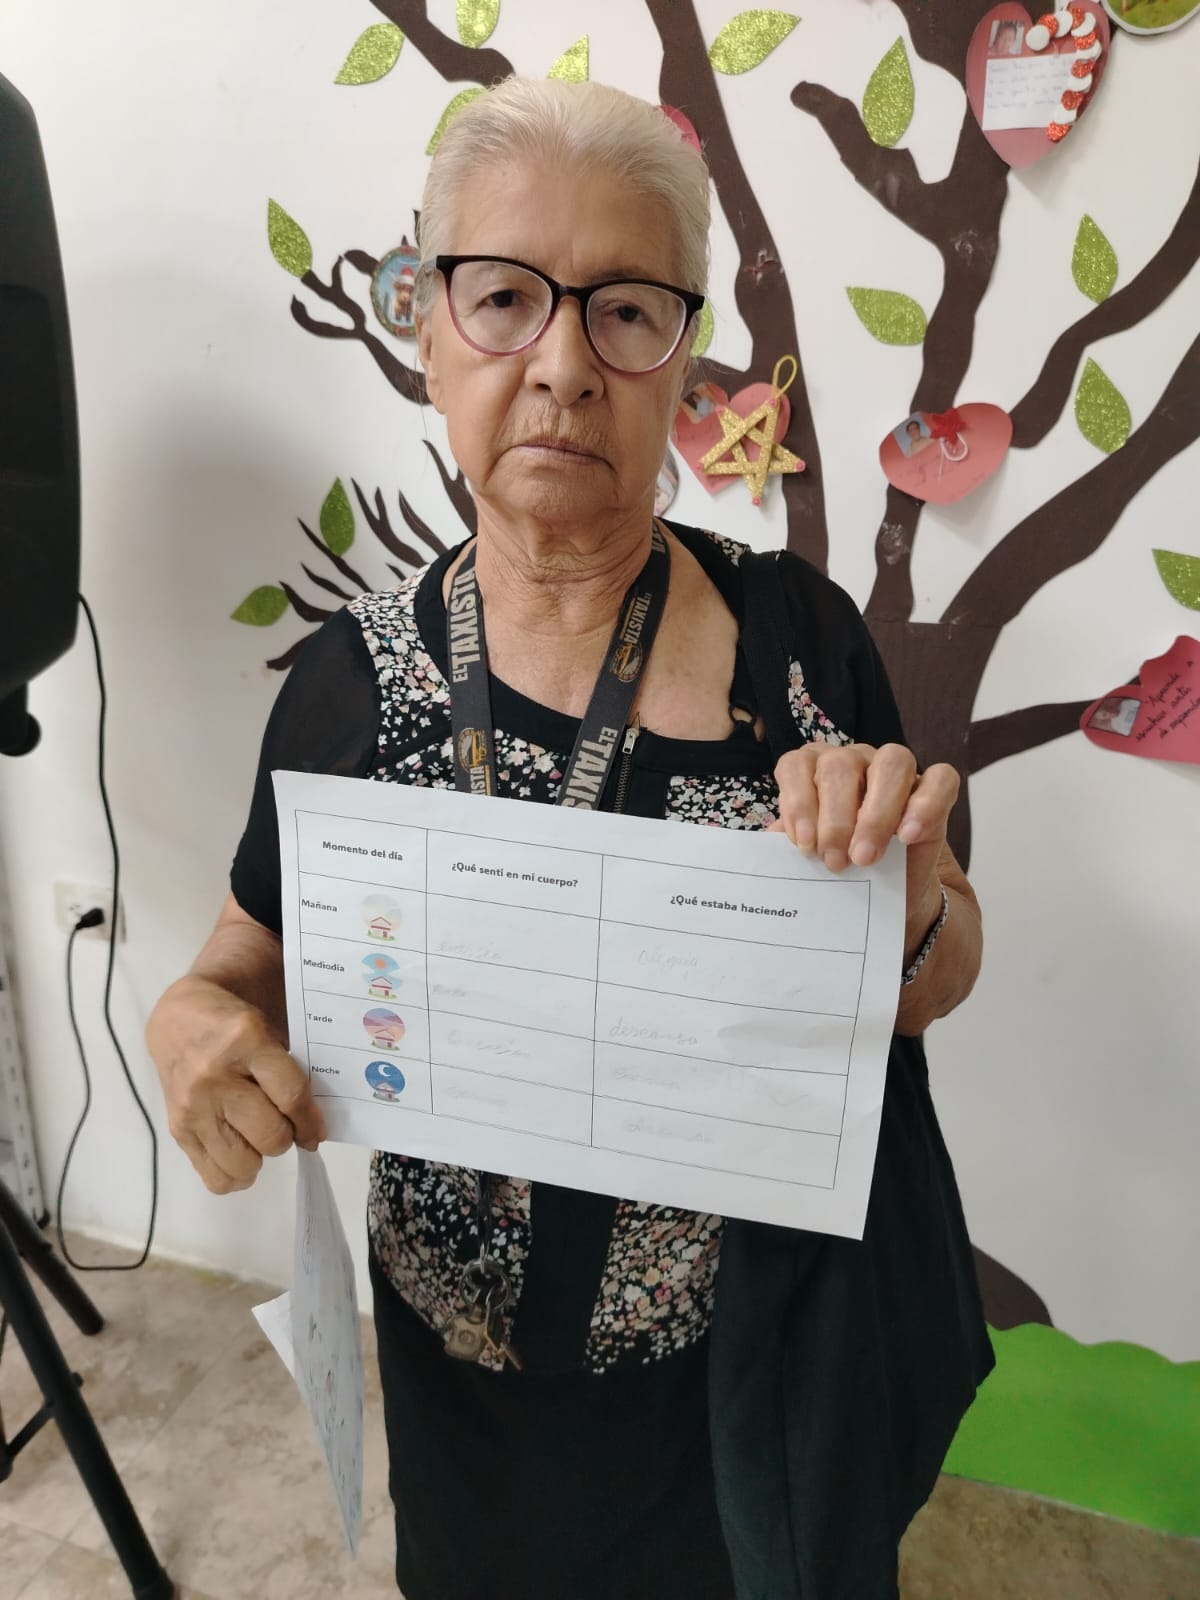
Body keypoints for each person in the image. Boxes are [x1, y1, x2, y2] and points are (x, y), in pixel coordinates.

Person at [146, 77, 991, 1600]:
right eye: (504, 297)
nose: (561, 365)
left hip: (750, 1372)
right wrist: (193, 1020)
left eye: (625, 312)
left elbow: (939, 972)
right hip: (455, 1371)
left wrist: (914, 903)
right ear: (428, 330)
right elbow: (243, 959)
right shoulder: (348, 683)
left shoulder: (798, 646)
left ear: (684, 363)